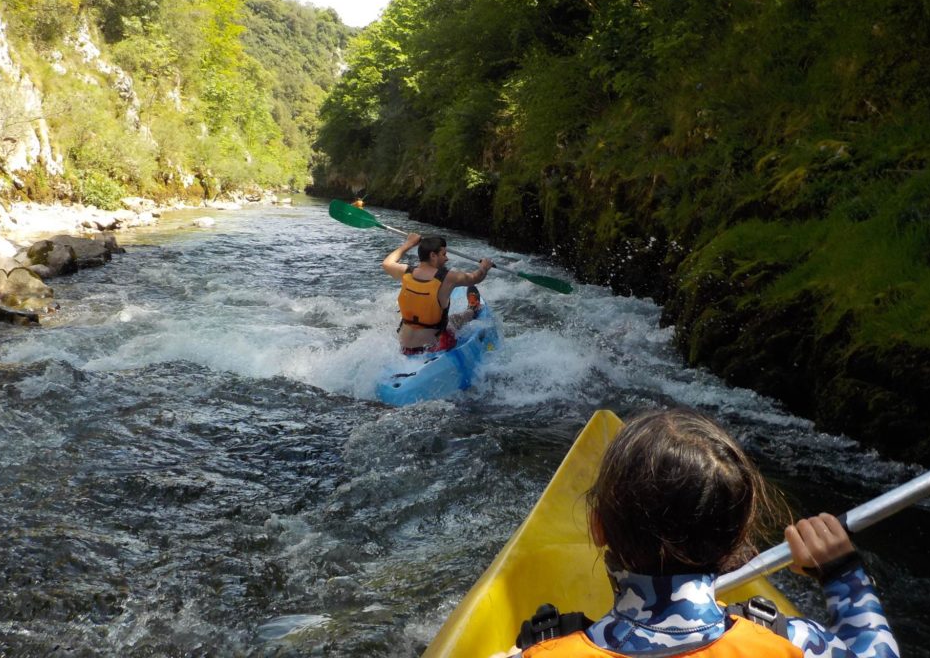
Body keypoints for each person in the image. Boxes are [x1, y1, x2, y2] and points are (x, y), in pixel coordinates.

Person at [506, 408, 900, 658]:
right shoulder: (791, 644)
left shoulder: (538, 653)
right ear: (737, 537)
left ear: (598, 528)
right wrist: (844, 575)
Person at [382, 233, 493, 354]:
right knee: (455, 320)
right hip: (434, 348)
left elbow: (387, 263)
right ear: (433, 255)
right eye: (444, 254)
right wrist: (484, 267)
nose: (447, 258)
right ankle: (473, 309)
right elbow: (475, 278)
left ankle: (470, 310)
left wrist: (409, 243)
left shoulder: (406, 272)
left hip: (404, 347)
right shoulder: (448, 278)